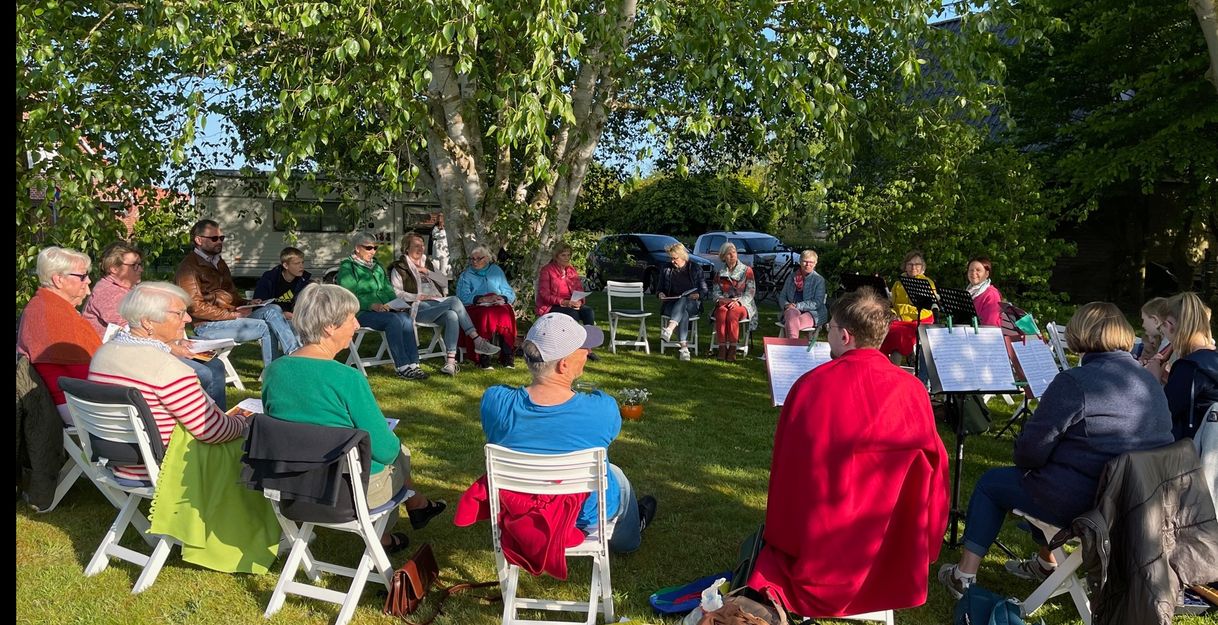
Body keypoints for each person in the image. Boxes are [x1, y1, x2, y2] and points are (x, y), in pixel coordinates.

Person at [938, 302, 1174, 598]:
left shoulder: (1075, 382)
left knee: (992, 484)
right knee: (1055, 476)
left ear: (1079, 335)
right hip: (1140, 502)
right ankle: (1045, 562)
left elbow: (1028, 454)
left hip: (1091, 504)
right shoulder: (1148, 380)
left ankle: (964, 575)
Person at [746, 288, 949, 618]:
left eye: (829, 329)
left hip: (822, 554)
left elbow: (787, 476)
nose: (828, 334)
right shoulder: (913, 390)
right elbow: (934, 474)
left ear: (844, 335)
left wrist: (783, 536)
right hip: (892, 554)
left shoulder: (811, 385)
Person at [262, 284, 447, 552]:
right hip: (348, 492)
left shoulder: (274, 372)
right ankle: (390, 529)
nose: (358, 324)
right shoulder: (347, 378)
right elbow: (384, 450)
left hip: (293, 487)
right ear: (330, 327)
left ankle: (416, 506)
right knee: (398, 452)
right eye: (351, 318)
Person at [479, 313, 657, 553]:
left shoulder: (495, 401)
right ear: (563, 364)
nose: (588, 354)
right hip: (586, 513)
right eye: (583, 349)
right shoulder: (601, 409)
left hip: (522, 508)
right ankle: (628, 541)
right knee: (617, 476)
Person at [86, 282, 249, 481]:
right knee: (257, 442)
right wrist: (246, 421)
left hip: (120, 463)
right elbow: (212, 431)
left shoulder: (103, 353)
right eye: (179, 313)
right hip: (170, 467)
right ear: (147, 322)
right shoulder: (165, 367)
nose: (188, 319)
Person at [82, 242, 228, 409]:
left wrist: (177, 341)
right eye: (134, 266)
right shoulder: (107, 292)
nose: (141, 269)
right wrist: (172, 347)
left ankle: (217, 417)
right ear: (113, 269)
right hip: (123, 357)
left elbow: (152, 327)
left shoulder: (130, 290)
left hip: (146, 348)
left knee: (216, 365)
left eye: (140, 264)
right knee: (201, 373)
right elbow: (132, 329)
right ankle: (198, 418)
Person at [175, 219, 301, 367]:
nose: (219, 242)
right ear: (198, 240)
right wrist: (233, 315)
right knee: (265, 326)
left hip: (231, 317)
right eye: (214, 238)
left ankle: (295, 354)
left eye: (221, 238)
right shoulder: (188, 267)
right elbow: (194, 307)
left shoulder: (218, 262)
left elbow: (231, 295)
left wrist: (247, 303)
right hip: (207, 326)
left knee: (273, 309)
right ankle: (274, 372)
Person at [390, 232, 501, 376]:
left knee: (452, 315)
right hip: (416, 308)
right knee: (454, 301)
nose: (421, 248)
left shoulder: (427, 263)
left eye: (422, 245)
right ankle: (477, 340)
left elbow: (443, 281)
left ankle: (450, 363)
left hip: (436, 304)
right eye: (416, 246)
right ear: (406, 248)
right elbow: (397, 293)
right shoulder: (399, 268)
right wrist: (419, 296)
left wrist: (426, 272)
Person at [17, 246, 102, 423]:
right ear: (58, 280)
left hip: (66, 398)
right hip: (73, 404)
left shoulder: (43, 304)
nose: (88, 281)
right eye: (82, 276)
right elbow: (89, 373)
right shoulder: (55, 315)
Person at [335, 232, 428, 380]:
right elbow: (349, 296)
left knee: (406, 318)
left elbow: (388, 289)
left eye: (375, 248)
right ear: (358, 248)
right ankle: (402, 366)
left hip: (383, 310)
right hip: (361, 312)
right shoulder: (348, 267)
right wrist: (371, 305)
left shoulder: (377, 266)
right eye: (369, 248)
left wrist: (395, 304)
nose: (373, 251)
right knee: (393, 320)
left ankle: (414, 364)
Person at [1156, 292, 1217, 440]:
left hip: (1190, 451)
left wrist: (1153, 381)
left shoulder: (1189, 366)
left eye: (1161, 328)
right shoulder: (1210, 359)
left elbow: (1161, 416)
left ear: (1169, 325)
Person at [455, 244, 519, 369]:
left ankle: (507, 355)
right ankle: (484, 357)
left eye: (478, 258)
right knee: (485, 315)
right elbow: (462, 296)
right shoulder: (466, 275)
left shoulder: (496, 270)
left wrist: (503, 298)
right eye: (472, 259)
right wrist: (481, 298)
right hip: (475, 306)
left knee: (506, 312)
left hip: (496, 304)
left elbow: (508, 291)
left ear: (487, 259)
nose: (474, 262)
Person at [880, 250, 937, 362]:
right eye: (910, 264)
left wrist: (903, 315)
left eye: (917, 264)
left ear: (922, 267)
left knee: (898, 334)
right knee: (881, 329)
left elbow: (927, 309)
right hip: (900, 319)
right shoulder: (898, 283)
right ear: (905, 266)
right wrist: (894, 314)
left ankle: (896, 368)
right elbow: (893, 305)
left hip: (921, 319)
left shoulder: (927, 283)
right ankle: (883, 365)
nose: (913, 267)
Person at [656, 243, 707, 361]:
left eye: (675, 258)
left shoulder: (695, 268)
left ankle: (669, 329)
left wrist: (698, 294)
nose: (672, 261)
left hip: (692, 303)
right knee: (683, 313)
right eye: (671, 258)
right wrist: (660, 294)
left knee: (684, 298)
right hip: (671, 304)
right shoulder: (666, 268)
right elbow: (659, 289)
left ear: (683, 256)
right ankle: (684, 349)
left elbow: (704, 289)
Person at [711, 241, 757, 362]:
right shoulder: (719, 273)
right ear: (723, 257)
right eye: (729, 254)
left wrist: (739, 302)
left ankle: (732, 348)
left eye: (734, 252)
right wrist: (720, 300)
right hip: (724, 303)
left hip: (743, 303)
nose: (733, 255)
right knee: (721, 312)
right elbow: (715, 292)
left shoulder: (747, 270)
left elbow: (751, 292)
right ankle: (722, 347)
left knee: (733, 313)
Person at [536, 242, 593, 325]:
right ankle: (572, 337)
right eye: (563, 255)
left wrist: (579, 301)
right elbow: (544, 295)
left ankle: (590, 337)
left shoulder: (571, 270)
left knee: (588, 312)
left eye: (568, 255)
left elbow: (579, 289)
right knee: (572, 314)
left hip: (570, 303)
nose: (567, 258)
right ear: (556, 257)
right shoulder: (547, 270)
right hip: (551, 305)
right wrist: (564, 302)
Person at [777, 249, 827, 339]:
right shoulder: (792, 277)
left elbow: (817, 302)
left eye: (811, 262)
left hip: (813, 313)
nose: (808, 265)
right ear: (800, 262)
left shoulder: (819, 280)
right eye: (805, 261)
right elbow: (782, 296)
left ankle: (792, 346)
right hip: (792, 311)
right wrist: (786, 305)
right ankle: (795, 347)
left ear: (815, 263)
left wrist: (796, 306)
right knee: (791, 315)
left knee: (792, 322)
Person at [252, 246, 312, 316]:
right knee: (275, 309)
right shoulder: (269, 278)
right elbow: (260, 304)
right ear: (286, 265)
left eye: (302, 263)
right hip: (268, 315)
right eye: (297, 263)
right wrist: (281, 314)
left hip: (292, 318)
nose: (301, 266)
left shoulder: (303, 281)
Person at [965, 256, 1003, 326]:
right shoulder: (968, 293)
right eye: (971, 270)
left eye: (978, 270)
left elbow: (990, 325)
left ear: (986, 274)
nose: (973, 273)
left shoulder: (991, 294)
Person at [1136, 297, 1172, 369]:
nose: (1143, 325)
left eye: (1144, 320)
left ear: (1155, 320)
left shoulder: (1167, 346)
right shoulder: (1167, 343)